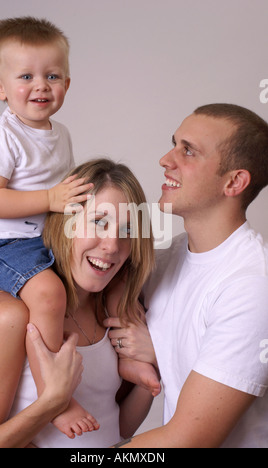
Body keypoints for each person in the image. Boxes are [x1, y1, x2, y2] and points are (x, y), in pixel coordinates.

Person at [106, 104, 268, 448]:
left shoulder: (252, 286)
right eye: (174, 144)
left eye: (188, 151)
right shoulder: (166, 262)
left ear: (234, 182)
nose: (166, 159)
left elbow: (187, 441)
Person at [0, 159, 155, 448]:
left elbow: (118, 427)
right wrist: (53, 402)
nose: (112, 245)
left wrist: (150, 373)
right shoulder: (14, 317)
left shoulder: (115, 310)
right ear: (65, 223)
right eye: (98, 222)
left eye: (127, 231)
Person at [0, 17, 93, 433]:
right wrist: (50, 199)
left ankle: (132, 360)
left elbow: (64, 191)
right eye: (26, 76)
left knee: (103, 268)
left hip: (43, 236)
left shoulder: (61, 134)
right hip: (3, 243)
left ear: (67, 84)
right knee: (48, 292)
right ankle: (54, 395)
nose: (41, 85)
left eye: (52, 75)